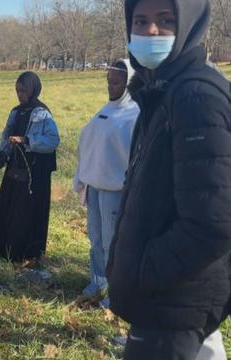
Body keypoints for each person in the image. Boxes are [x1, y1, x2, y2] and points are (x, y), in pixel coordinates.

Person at [106, 0, 231, 358]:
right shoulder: (165, 92)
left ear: (189, 25)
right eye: (141, 21)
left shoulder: (194, 98)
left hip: (173, 303)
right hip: (177, 301)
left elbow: (213, 224)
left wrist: (144, 272)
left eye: (165, 21)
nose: (150, 31)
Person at [73, 59, 139, 308]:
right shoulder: (106, 109)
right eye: (108, 81)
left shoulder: (134, 114)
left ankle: (116, 291)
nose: (110, 87)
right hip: (95, 186)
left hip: (116, 189)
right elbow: (88, 143)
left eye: (116, 82)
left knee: (113, 243)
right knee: (96, 240)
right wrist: (81, 174)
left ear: (129, 83)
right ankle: (98, 281)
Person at [0, 71, 60, 263]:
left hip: (34, 173)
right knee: (8, 208)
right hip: (14, 168)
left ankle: (23, 253)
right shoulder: (15, 112)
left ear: (32, 89)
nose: (20, 94)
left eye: (23, 90)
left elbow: (53, 140)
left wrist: (27, 140)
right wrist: (2, 153)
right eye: (17, 90)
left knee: (26, 212)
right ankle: (1, 248)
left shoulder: (42, 113)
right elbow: (6, 136)